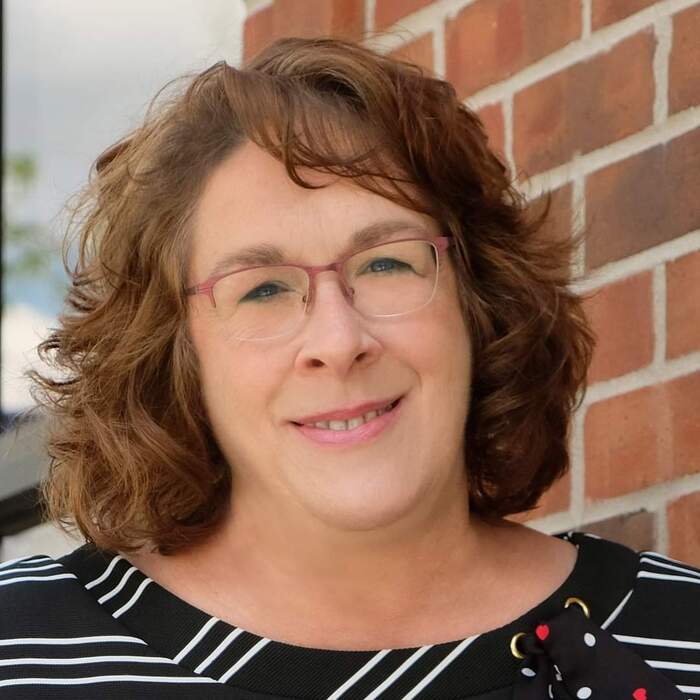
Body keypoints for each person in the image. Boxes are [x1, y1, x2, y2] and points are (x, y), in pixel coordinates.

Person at [0, 36, 697, 700]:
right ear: (175, 354)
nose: (338, 340)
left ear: (479, 302)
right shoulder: (23, 649)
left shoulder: (680, 639)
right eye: (263, 290)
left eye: (386, 263)